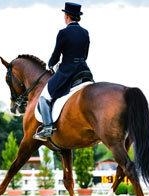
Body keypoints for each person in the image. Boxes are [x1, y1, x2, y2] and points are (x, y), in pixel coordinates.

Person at [35, 2, 92, 141]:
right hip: (84, 70)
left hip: (67, 71)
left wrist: (51, 64)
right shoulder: (85, 33)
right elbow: (85, 55)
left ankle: (48, 127)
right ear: (78, 17)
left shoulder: (63, 33)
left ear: (67, 16)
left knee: (44, 96)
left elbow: (56, 54)